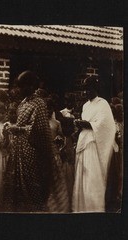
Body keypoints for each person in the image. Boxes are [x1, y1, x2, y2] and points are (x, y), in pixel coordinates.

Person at [3, 70, 54, 212]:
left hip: (32, 150)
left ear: (31, 86)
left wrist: (17, 129)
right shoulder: (22, 103)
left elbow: (39, 129)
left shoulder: (39, 103)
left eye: (22, 86)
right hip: (19, 149)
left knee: (32, 183)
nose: (19, 90)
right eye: (18, 86)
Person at [72, 75, 116, 212]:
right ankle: (81, 207)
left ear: (96, 89)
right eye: (85, 90)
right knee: (82, 174)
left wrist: (88, 124)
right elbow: (86, 123)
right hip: (83, 141)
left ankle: (93, 208)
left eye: (89, 89)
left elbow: (107, 126)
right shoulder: (85, 105)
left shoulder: (103, 103)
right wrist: (79, 125)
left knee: (91, 175)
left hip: (93, 144)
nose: (86, 92)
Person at [46, 98, 70, 212]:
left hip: (54, 152)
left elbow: (62, 136)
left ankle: (56, 204)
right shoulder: (38, 122)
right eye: (46, 108)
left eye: (50, 108)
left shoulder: (56, 123)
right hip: (43, 152)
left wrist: (59, 139)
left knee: (55, 179)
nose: (48, 110)